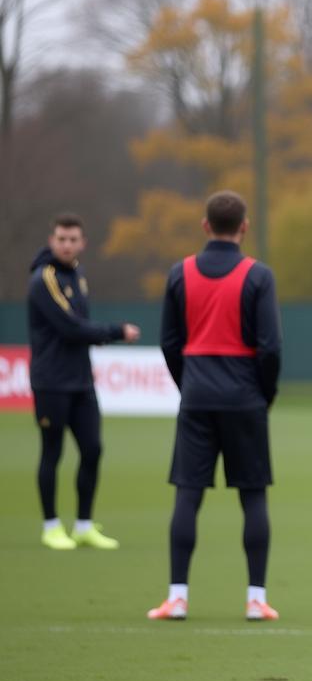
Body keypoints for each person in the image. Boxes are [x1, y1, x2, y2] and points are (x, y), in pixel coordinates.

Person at [148, 191, 282, 622]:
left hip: (198, 397)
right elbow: (270, 348)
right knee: (253, 496)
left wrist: (187, 384)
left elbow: (169, 343)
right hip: (245, 398)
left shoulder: (179, 273)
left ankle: (177, 598)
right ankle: (256, 600)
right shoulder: (258, 276)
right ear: (243, 227)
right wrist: (266, 394)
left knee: (188, 494)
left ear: (205, 226)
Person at [27, 213, 141, 550]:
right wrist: (116, 331)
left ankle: (83, 525)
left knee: (92, 449)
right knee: (52, 451)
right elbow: (70, 327)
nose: (66, 244)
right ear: (52, 241)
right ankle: (51, 526)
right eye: (61, 239)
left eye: (72, 239)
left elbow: (78, 327)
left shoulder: (78, 275)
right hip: (51, 381)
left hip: (80, 381)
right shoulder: (43, 278)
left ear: (82, 243)